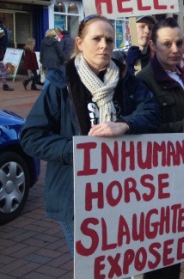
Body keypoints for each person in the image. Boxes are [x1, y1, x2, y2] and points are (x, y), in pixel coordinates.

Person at [20, 15, 161, 257]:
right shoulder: (60, 84)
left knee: (119, 263)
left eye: (109, 39)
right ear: (80, 42)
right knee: (93, 266)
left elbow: (152, 112)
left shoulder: (126, 79)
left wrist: (125, 124)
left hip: (121, 191)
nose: (104, 46)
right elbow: (31, 136)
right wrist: (78, 150)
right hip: (77, 196)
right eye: (96, 39)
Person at [137, 17, 184, 278]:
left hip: (183, 169)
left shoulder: (182, 74)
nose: (175, 49)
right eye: (167, 44)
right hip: (159, 177)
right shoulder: (144, 81)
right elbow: (144, 131)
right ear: (152, 46)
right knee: (158, 249)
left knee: (176, 245)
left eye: (179, 43)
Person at [0, 19, 13, 91]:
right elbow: (5, 41)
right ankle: (5, 85)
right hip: (1, 51)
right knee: (3, 69)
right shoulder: (3, 29)